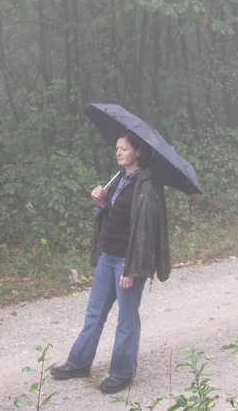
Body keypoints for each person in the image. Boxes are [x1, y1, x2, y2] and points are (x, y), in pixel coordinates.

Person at [50, 129, 170, 394]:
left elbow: (145, 231)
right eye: (117, 148)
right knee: (95, 313)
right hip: (108, 257)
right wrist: (102, 202)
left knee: (127, 319)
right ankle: (79, 363)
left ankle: (122, 372)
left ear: (138, 151)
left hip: (128, 261)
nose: (118, 152)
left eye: (124, 148)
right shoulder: (119, 179)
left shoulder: (147, 185)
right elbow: (115, 217)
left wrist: (131, 268)